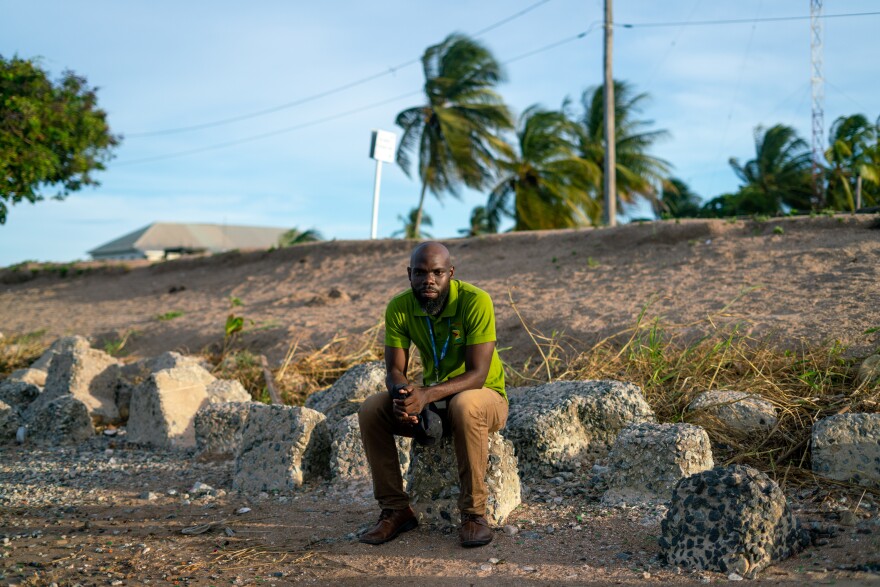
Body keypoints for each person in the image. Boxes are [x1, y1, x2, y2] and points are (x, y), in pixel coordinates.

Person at [357, 241, 508, 547]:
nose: (429, 279)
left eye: (437, 272)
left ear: (450, 273)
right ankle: (396, 510)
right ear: (409, 274)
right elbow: (394, 371)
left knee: (465, 405)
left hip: (483, 396)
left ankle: (474, 515)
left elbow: (478, 374)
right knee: (372, 409)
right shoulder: (399, 307)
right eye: (421, 272)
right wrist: (404, 397)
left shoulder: (476, 301)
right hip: (435, 400)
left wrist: (425, 395)